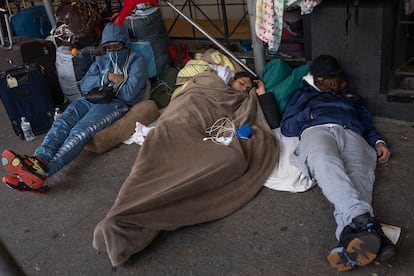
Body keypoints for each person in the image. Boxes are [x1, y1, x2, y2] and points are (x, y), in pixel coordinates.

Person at [271, 55, 396, 271]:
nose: (331, 83)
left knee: (358, 177)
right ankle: (368, 227)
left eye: (334, 77)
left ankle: (349, 236)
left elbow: (366, 123)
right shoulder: (303, 95)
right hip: (318, 130)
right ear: (317, 79)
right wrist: (308, 114)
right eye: (325, 79)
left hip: (353, 134)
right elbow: (288, 127)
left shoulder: (351, 97)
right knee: (324, 161)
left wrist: (378, 141)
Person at [1, 23, 148, 193]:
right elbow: (85, 85)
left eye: (117, 46)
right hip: (90, 98)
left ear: (125, 44)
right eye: (108, 47)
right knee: (62, 123)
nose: (113, 51)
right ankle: (37, 160)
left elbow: (129, 94)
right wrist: (107, 77)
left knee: (79, 131)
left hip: (114, 103)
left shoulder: (136, 61)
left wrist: (113, 83)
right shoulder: (101, 61)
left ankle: (41, 173)